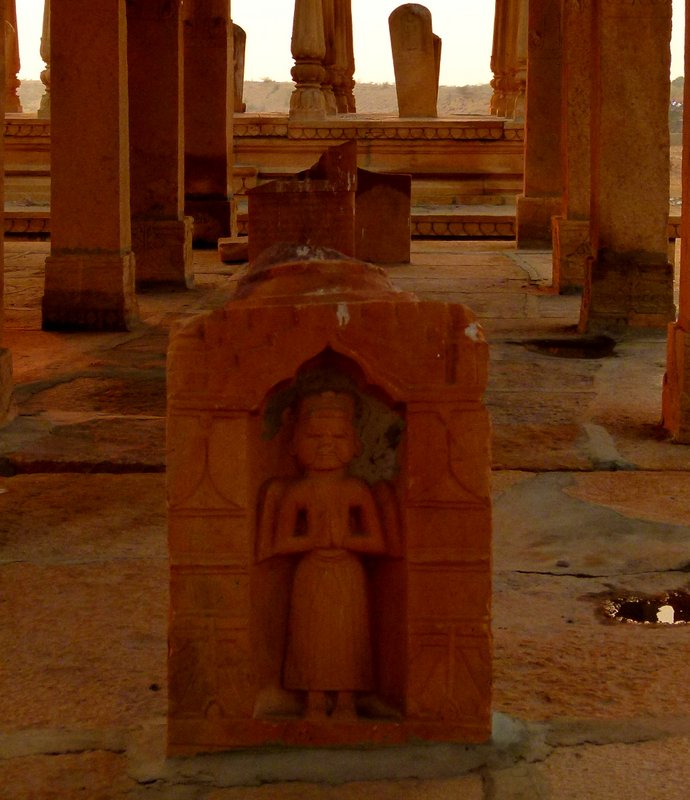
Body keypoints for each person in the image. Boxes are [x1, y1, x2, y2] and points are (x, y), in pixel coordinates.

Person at [258, 390, 387, 720]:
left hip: (348, 573)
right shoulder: (298, 491)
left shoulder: (356, 489)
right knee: (311, 636)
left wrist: (344, 538)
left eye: (338, 436)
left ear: (355, 444)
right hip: (312, 572)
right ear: (295, 445)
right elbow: (279, 543)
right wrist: (314, 539)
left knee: (348, 636)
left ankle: (346, 700)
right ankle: (314, 699)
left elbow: (378, 543)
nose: (326, 444)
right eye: (315, 436)